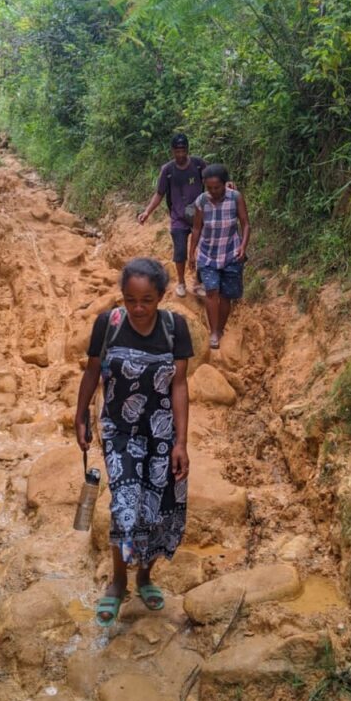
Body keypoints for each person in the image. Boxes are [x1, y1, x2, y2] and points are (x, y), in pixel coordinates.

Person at [74, 257, 193, 626]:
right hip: (119, 431)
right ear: (122, 296)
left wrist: (181, 442)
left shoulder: (175, 328)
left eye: (147, 301)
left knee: (159, 509)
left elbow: (179, 385)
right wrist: (80, 415)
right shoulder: (107, 325)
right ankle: (118, 582)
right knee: (124, 506)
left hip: (162, 434)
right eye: (130, 300)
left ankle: (144, 577)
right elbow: (93, 371)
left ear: (161, 296)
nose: (138, 309)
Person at [188, 163, 250, 350]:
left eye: (217, 187)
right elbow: (197, 228)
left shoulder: (235, 198)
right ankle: (213, 332)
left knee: (226, 296)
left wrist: (243, 246)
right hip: (208, 255)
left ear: (225, 184)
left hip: (231, 253)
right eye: (209, 188)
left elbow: (245, 224)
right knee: (211, 291)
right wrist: (192, 253)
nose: (213, 191)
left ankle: (220, 328)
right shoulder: (201, 201)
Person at [138, 133, 207, 298]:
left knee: (204, 250)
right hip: (178, 218)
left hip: (199, 217)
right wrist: (147, 212)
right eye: (177, 151)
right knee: (180, 252)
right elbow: (159, 194)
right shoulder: (168, 170)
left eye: (183, 151)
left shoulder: (198, 164)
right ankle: (181, 282)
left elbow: (213, 179)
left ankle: (199, 282)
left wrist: (227, 183)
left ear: (188, 149)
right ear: (172, 151)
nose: (181, 155)